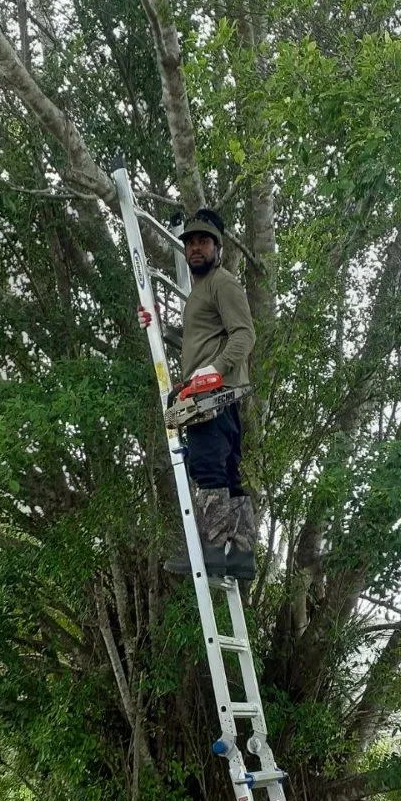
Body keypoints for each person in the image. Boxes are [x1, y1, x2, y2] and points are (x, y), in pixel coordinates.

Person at [163, 208, 256, 579]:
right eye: (190, 242)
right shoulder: (202, 290)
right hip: (218, 394)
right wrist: (160, 327)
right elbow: (198, 339)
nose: (195, 248)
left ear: (218, 246)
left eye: (203, 241)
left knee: (208, 467)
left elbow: (245, 334)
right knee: (229, 471)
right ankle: (241, 555)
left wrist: (213, 373)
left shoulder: (222, 283)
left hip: (214, 394)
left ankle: (213, 550)